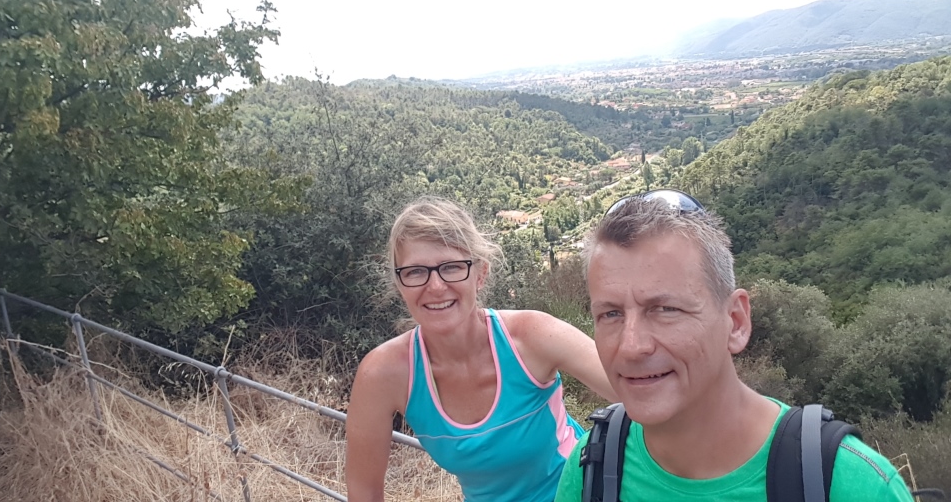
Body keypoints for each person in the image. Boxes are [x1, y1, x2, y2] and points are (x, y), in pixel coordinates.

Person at [555, 189, 913, 502]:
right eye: (611, 314)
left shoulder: (851, 486)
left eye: (666, 310)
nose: (631, 346)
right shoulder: (592, 469)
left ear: (736, 323)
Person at [345, 196, 618, 502]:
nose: (435, 287)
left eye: (451, 267)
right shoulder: (384, 374)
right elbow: (364, 491)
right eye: (415, 272)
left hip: (580, 492)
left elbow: (632, 386)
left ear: (480, 274)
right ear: (400, 284)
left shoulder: (531, 337)